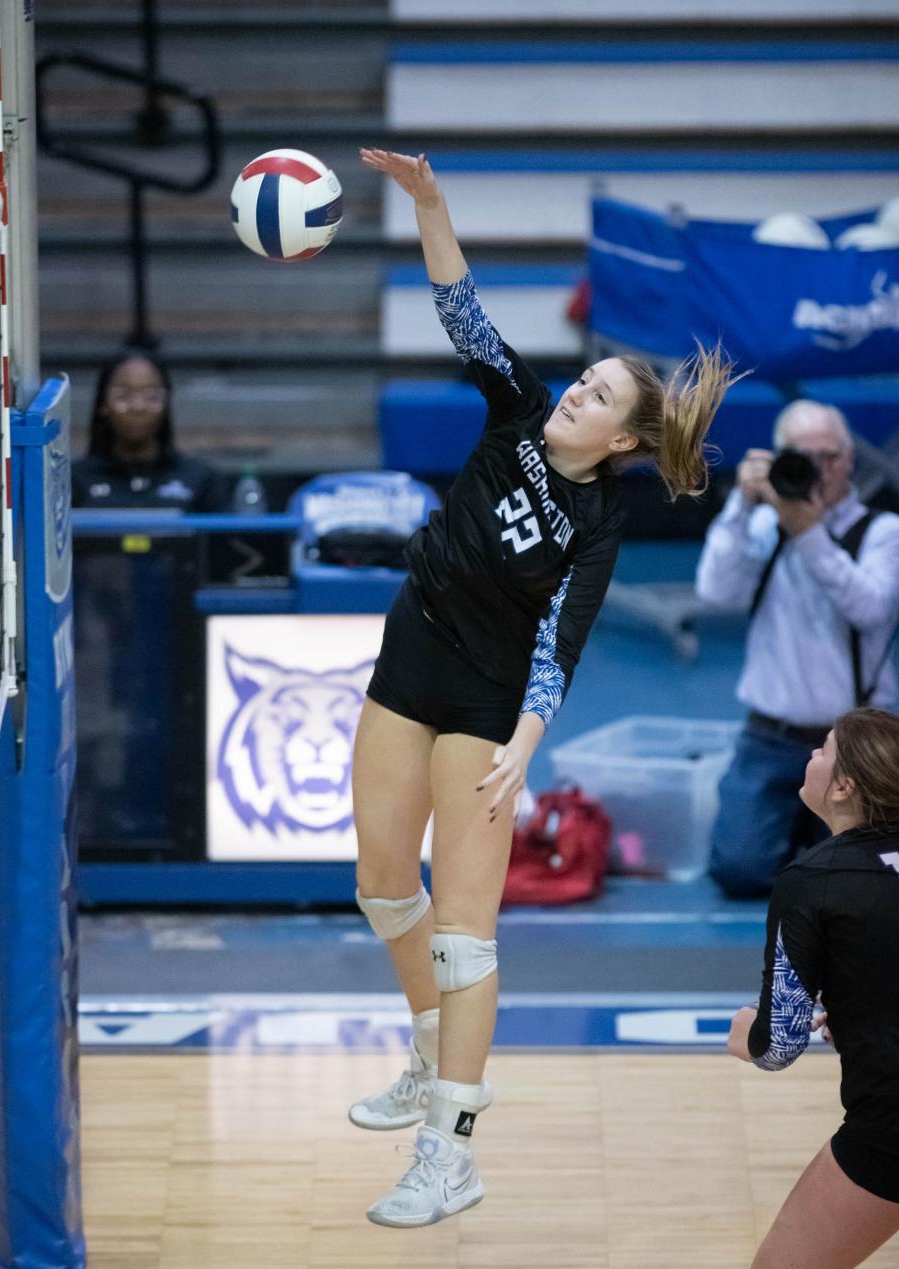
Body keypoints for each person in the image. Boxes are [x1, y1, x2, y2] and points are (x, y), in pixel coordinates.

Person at [350, 147, 738, 1228]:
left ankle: (451, 1151)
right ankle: (428, 1057)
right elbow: (460, 309)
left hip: (484, 704)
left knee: (465, 934)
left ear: (620, 439)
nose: (576, 389)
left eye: (598, 394)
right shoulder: (516, 408)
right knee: (383, 885)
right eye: (585, 377)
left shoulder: (601, 526)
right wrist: (430, 204)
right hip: (410, 651)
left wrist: (525, 740)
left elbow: (560, 642)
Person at [696, 401, 899, 897]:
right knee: (739, 870)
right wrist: (742, 505)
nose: (818, 471)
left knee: (874, 877)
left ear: (850, 460)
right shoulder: (766, 527)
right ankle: (810, 837)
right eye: (801, 458)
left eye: (828, 457)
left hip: (857, 742)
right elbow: (715, 593)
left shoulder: (883, 532)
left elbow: (870, 608)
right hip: (771, 737)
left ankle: (815, 839)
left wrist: (806, 530)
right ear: (777, 458)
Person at [727, 706, 899, 1269]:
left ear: (845, 786)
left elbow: (779, 1044)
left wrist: (745, 1033)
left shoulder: (813, 882)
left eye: (823, 749)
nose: (811, 757)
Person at [71, 351, 237, 512]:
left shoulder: (202, 479)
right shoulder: (74, 480)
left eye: (152, 396)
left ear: (167, 403)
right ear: (103, 404)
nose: (138, 407)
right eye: (123, 395)